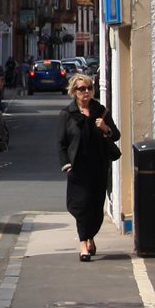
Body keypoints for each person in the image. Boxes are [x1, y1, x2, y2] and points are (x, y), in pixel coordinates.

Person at [59, 72, 121, 261]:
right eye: (81, 89)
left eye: (89, 88)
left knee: (95, 206)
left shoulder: (100, 111)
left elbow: (116, 135)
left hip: (98, 166)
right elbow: (61, 143)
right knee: (81, 205)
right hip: (77, 168)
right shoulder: (67, 114)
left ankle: (90, 237)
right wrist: (66, 165)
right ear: (74, 92)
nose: (86, 92)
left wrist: (105, 128)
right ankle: (82, 245)